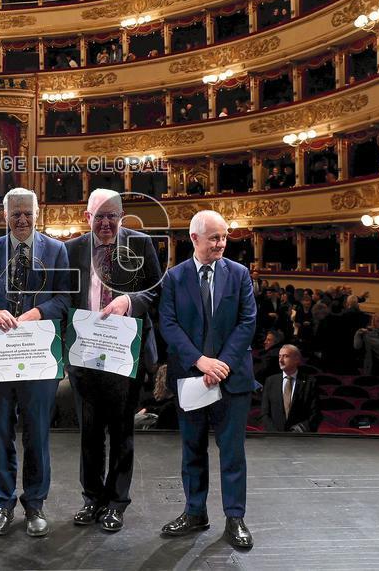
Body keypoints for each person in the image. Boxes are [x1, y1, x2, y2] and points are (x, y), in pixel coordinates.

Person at [0, 188, 70, 538]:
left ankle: (35, 504)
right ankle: (2, 502)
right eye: (15, 213)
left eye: (28, 212)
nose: (22, 219)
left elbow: (64, 300)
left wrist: (37, 312)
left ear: (37, 213)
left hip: (39, 356)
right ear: (4, 216)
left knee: (37, 435)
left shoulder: (57, 250)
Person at [63, 189, 161, 532]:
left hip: (124, 355)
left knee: (121, 433)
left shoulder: (141, 244)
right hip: (84, 356)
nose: (106, 223)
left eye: (113, 216)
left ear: (122, 216)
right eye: (99, 216)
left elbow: (155, 290)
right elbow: (63, 299)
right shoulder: (71, 248)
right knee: (89, 433)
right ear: (87, 216)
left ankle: (117, 502)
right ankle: (92, 499)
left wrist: (128, 302)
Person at [159, 209, 257, 550]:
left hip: (232, 379)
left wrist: (221, 365)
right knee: (192, 450)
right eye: (214, 238)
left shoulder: (240, 274)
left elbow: (247, 323)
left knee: (232, 453)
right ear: (194, 239)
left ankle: (235, 517)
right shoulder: (174, 278)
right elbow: (168, 325)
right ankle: (195, 512)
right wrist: (200, 361)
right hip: (191, 378)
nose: (221, 243)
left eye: (225, 236)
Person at [260, 344, 321, 432]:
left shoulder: (309, 382)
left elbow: (315, 413)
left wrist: (300, 429)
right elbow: (264, 413)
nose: (280, 360)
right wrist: (274, 433)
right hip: (274, 438)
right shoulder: (271, 381)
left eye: (285, 356)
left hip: (300, 439)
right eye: (279, 356)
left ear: (296, 359)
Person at [353, 311, 379, 378]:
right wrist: (357, 334)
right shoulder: (368, 333)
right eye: (378, 321)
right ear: (374, 322)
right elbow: (357, 346)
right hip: (374, 365)